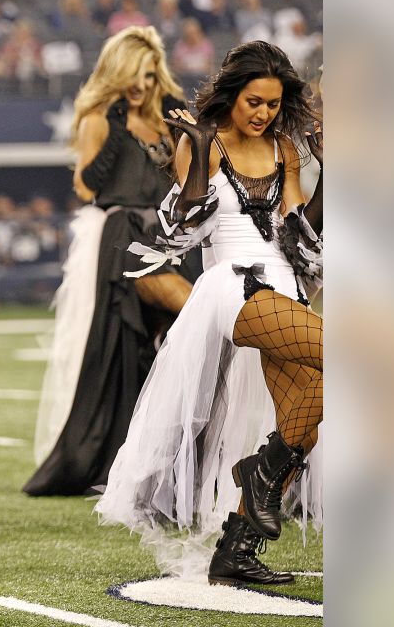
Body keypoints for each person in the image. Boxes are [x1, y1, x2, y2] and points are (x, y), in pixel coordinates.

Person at [95, 41, 323, 586]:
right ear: (231, 94)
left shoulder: (285, 151)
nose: (264, 113)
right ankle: (260, 474)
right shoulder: (206, 143)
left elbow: (301, 239)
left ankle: (235, 549)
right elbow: (180, 232)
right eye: (254, 101)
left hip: (284, 286)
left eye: (272, 103)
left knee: (307, 412)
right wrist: (196, 158)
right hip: (233, 287)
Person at [26, 26, 193, 497]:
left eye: (146, 73)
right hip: (122, 235)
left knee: (157, 347)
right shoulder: (100, 118)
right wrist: (117, 130)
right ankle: (108, 459)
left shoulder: (168, 123)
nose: (139, 84)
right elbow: (88, 187)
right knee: (120, 345)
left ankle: (158, 459)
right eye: (130, 74)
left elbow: (186, 185)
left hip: (165, 236)